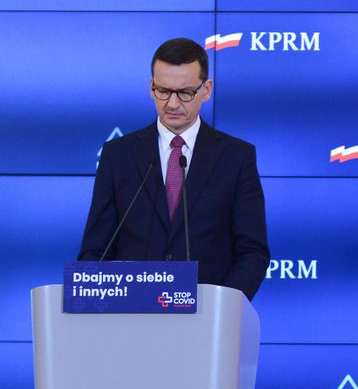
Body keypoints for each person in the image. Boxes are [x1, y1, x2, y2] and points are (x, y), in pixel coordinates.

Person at [78, 37, 269, 299]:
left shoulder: (236, 157)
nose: (172, 104)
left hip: (207, 323)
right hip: (131, 319)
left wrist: (222, 308)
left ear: (206, 89)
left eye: (185, 92)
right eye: (163, 91)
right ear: (150, 86)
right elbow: (95, 251)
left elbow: (252, 251)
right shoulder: (118, 155)